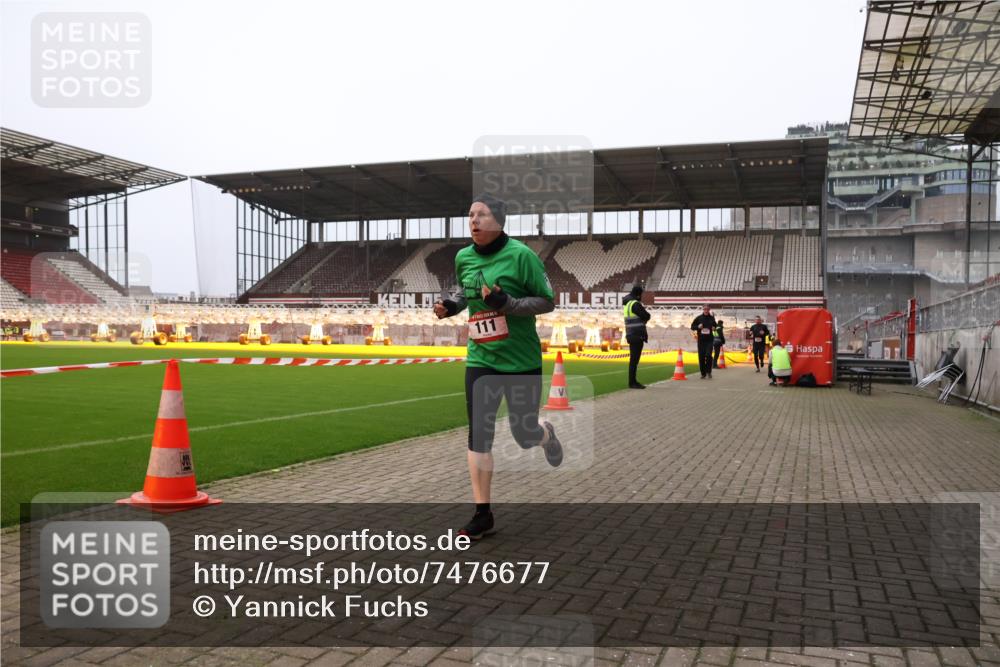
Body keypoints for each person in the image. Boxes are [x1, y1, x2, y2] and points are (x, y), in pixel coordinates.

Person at [433, 193, 563, 540]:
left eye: (482, 215)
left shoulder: (522, 257)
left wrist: (508, 303)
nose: (474, 220)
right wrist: (452, 305)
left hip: (520, 361)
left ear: (499, 221)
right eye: (470, 214)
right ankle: (482, 514)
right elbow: (466, 291)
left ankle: (546, 435)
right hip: (481, 359)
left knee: (524, 435)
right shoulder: (463, 257)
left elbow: (548, 301)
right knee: (480, 435)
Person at [623, 284, 651, 389]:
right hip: (637, 335)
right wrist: (644, 321)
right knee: (634, 360)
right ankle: (632, 382)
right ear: (638, 294)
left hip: (630, 334)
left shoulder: (628, 305)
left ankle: (632, 381)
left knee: (633, 360)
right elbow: (646, 315)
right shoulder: (635, 304)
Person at [690, 305, 717, 379]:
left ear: (709, 310)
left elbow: (715, 326)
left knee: (708, 355)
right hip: (701, 341)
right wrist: (698, 327)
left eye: (707, 309)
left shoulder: (712, 318)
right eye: (705, 309)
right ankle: (703, 373)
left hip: (709, 341)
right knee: (701, 357)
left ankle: (709, 372)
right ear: (703, 309)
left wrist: (714, 328)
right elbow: (692, 327)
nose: (706, 310)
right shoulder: (699, 318)